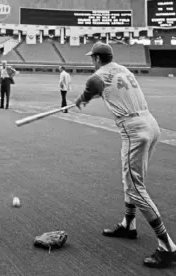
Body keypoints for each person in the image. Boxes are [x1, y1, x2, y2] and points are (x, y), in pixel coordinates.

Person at [75, 42, 176, 269]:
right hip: (150, 124)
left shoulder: (96, 77)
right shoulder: (124, 69)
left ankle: (167, 247)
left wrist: (79, 100)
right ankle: (128, 226)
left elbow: (87, 94)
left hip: (133, 130)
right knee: (130, 180)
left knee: (136, 189)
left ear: (98, 59)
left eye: (93, 58)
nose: (92, 61)